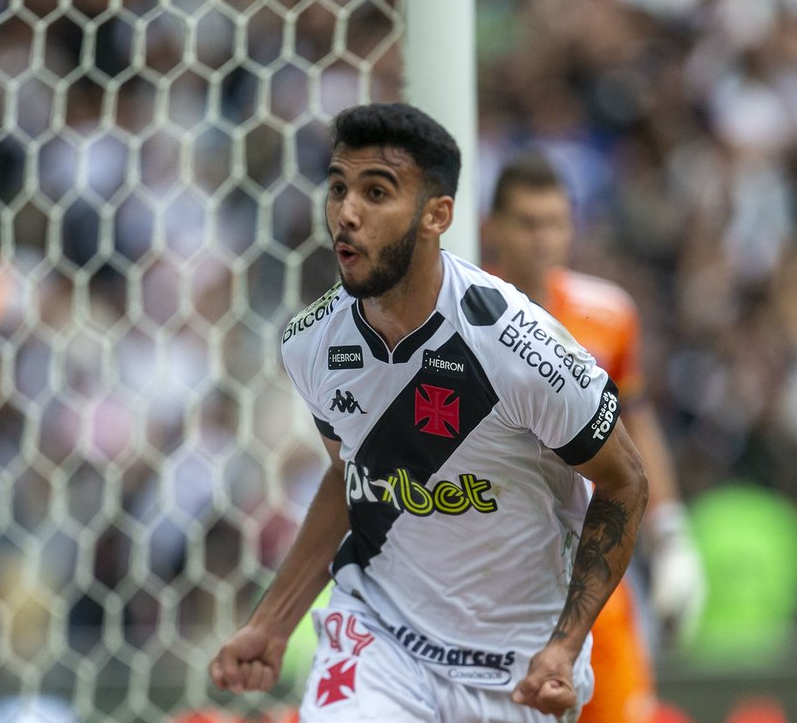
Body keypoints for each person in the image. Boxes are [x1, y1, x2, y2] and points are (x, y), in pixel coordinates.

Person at [209, 103, 649, 723]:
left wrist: (566, 644)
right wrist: (273, 623)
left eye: (376, 192)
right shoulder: (310, 343)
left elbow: (625, 480)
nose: (347, 212)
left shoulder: (521, 347)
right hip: (381, 635)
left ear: (437, 215)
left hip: (515, 667)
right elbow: (354, 476)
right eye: (338, 188)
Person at [482, 150, 706, 723]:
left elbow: (636, 423)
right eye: (527, 223)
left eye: (555, 223)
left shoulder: (608, 313)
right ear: (492, 227)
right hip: (493, 573)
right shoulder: (458, 319)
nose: (543, 239)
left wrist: (671, 534)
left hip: (591, 569)